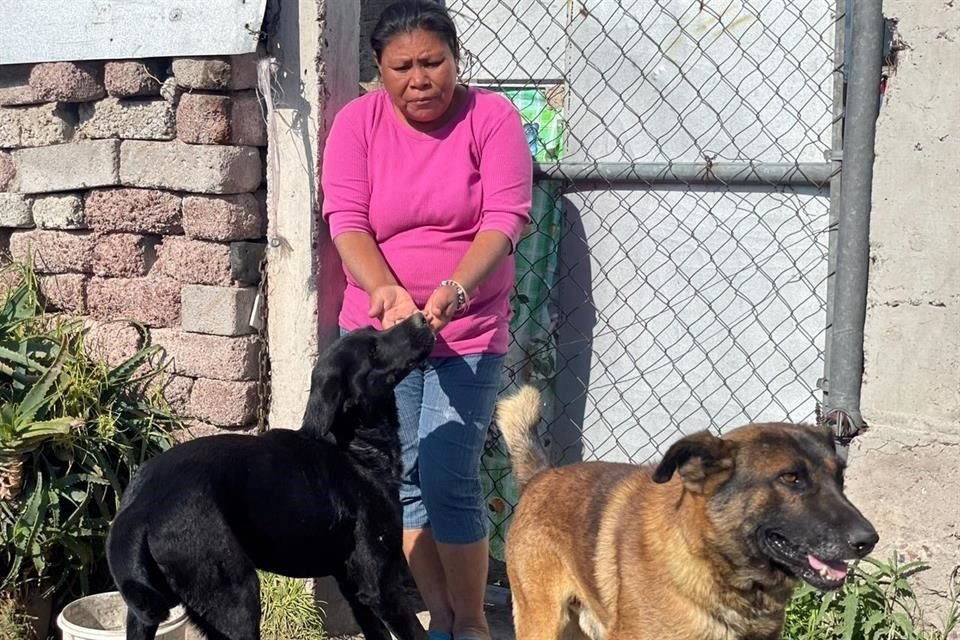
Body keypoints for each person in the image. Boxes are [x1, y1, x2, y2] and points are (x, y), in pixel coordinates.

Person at [320, 1, 533, 639]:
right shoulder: (356, 125)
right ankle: (436, 616)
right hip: (384, 335)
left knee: (448, 474)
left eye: (433, 62)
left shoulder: (491, 118)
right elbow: (347, 223)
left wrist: (453, 292)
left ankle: (471, 623)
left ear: (456, 59)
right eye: (402, 67)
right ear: (379, 71)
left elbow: (505, 219)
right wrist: (385, 291)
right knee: (405, 475)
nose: (420, 79)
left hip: (465, 328)